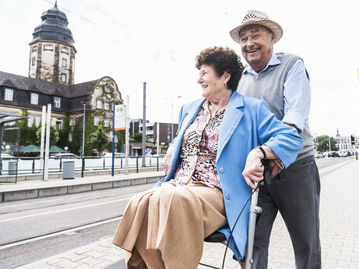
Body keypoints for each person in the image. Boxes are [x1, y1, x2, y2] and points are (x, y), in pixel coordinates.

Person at [112, 46, 303, 269]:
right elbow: (183, 138)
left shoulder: (252, 109)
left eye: (204, 73)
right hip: (178, 184)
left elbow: (290, 136)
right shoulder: (189, 108)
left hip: (216, 192)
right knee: (141, 201)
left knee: (169, 199)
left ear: (225, 76)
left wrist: (258, 152)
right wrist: (173, 145)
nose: (198, 79)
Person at [229, 10, 321, 269]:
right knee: (252, 242)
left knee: (306, 242)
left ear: (272, 38)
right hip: (258, 170)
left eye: (256, 35)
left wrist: (274, 150)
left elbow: (295, 115)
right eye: (244, 38)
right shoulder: (239, 80)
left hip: (296, 166)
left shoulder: (292, 65)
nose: (249, 43)